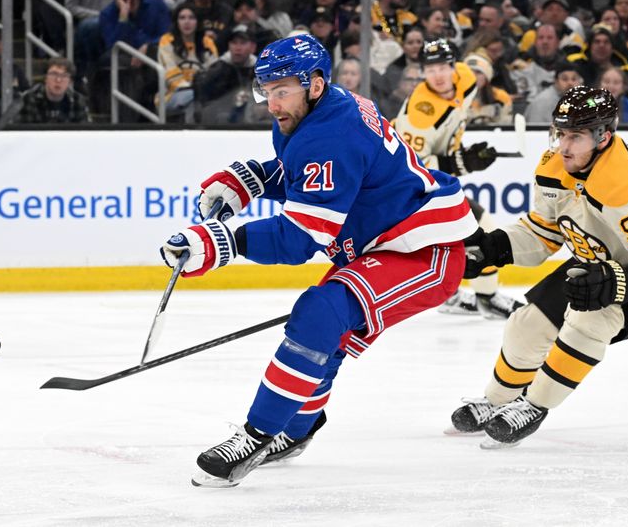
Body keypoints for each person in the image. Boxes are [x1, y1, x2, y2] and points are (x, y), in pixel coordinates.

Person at [160, 33, 475, 486]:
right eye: (266, 90)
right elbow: (305, 173)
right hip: (382, 243)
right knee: (325, 332)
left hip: (422, 249)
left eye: (282, 90)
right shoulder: (318, 111)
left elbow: (299, 238)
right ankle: (296, 428)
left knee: (320, 314)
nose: (272, 103)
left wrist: (218, 243)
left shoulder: (333, 132)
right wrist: (249, 181)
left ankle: (259, 435)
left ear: (316, 84)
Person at [447, 85, 628, 448]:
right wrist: (495, 247)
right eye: (560, 133)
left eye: (575, 136)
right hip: (604, 259)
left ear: (604, 136)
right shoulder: (555, 165)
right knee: (527, 323)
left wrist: (615, 282)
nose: (564, 146)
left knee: (591, 320)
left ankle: (534, 405)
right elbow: (543, 233)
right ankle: (498, 399)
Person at [393, 39, 523, 319]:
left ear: (454, 66)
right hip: (404, 185)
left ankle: (452, 295)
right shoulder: (420, 113)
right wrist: (461, 162)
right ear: (422, 72)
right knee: (481, 228)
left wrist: (461, 155)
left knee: (450, 239)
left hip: (429, 180)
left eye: (442, 67)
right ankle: (485, 298)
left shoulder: (465, 77)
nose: (437, 75)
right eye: (430, 69)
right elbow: (412, 169)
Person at [158, 3, 218, 122]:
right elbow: (170, 73)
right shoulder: (167, 40)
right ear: (176, 22)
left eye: (191, 18)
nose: (187, 22)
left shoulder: (207, 42)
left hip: (201, 94)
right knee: (196, 99)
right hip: (170, 95)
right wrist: (196, 90)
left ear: (197, 22)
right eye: (182, 18)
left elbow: (214, 71)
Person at [17, 57, 91, 123]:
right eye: (54, 74)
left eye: (64, 76)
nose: (58, 80)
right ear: (45, 78)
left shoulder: (77, 100)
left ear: (70, 81)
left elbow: (84, 133)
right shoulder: (29, 98)